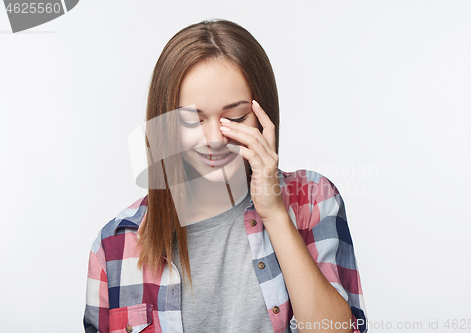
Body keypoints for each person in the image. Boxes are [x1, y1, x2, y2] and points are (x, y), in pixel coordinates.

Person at [84, 19, 367, 333]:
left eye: (235, 117)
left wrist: (274, 214)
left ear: (263, 117)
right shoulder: (115, 244)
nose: (215, 140)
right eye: (192, 121)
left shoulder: (312, 199)